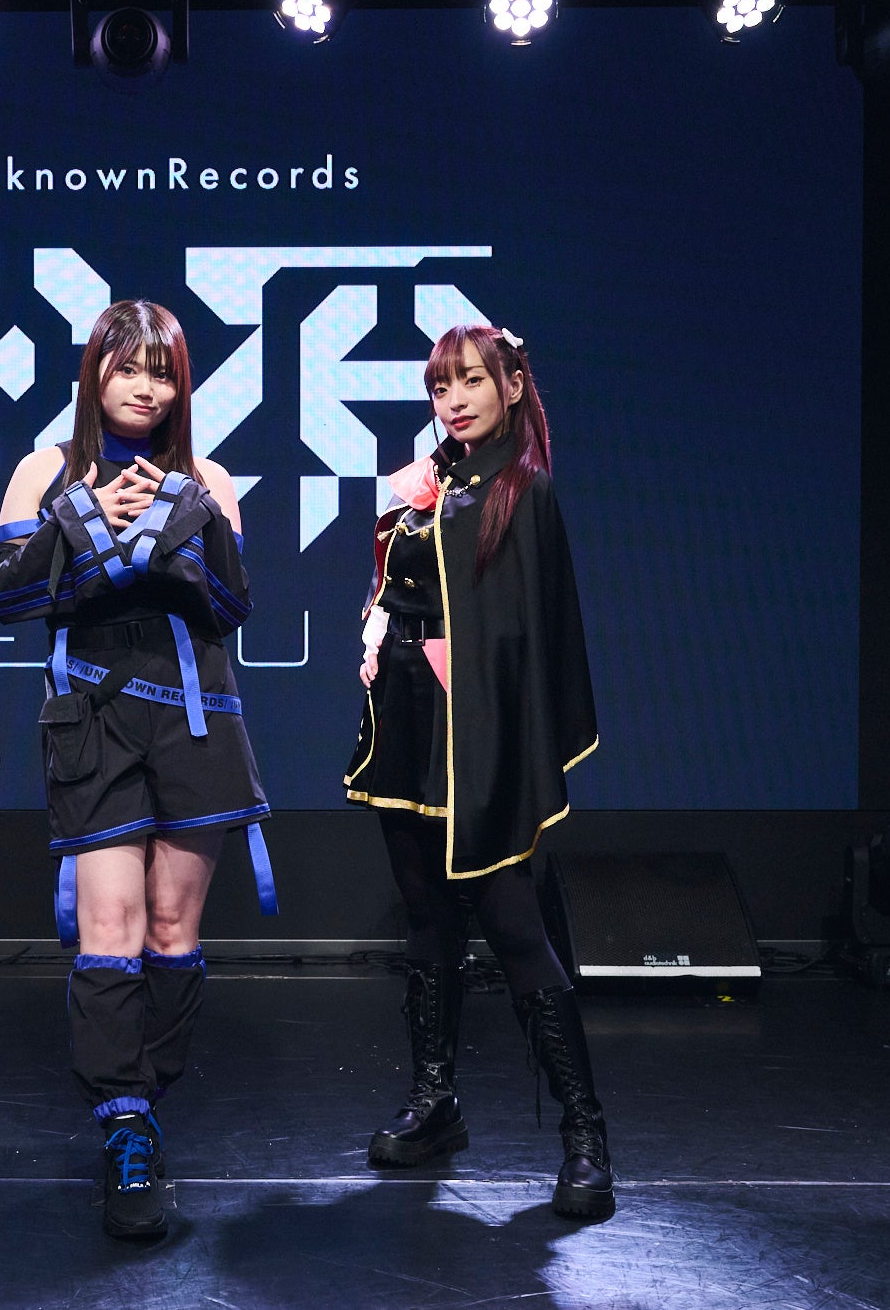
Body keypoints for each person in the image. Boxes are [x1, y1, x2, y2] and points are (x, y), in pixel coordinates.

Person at [0, 299, 274, 1239]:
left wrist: (186, 520)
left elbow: (232, 604)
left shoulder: (206, 477)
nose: (146, 388)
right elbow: (6, 599)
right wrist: (79, 520)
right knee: (111, 924)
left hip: (197, 722)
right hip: (93, 724)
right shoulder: (46, 471)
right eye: (128, 367)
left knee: (175, 929)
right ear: (95, 373)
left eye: (163, 372)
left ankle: (147, 1091)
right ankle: (127, 1126)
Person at [344, 323, 612, 1220]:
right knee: (426, 915)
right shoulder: (435, 483)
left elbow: (528, 633)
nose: (453, 400)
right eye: (440, 387)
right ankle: (436, 1102)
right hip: (409, 720)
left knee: (513, 923)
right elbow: (403, 591)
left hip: (482, 732)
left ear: (511, 386)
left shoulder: (522, 490)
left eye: (469, 381)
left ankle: (585, 1132)